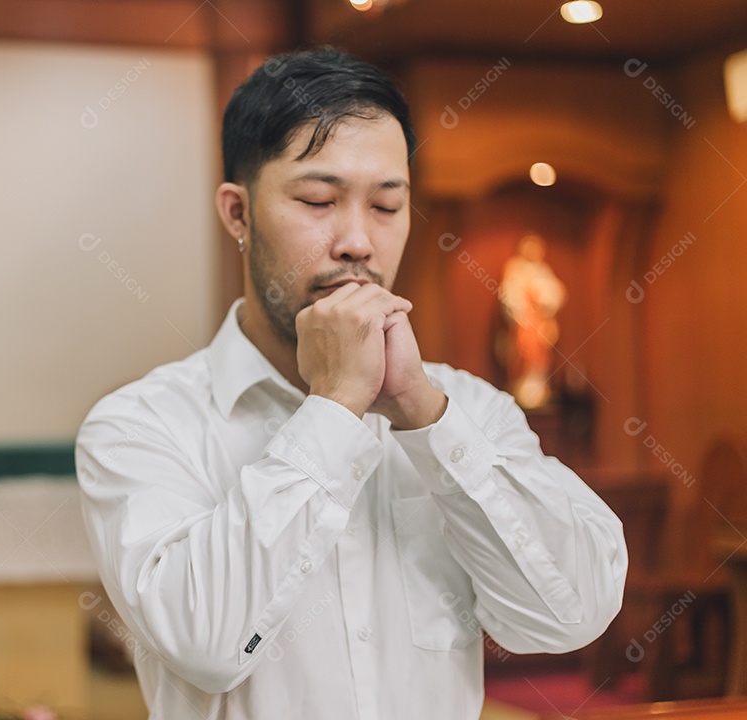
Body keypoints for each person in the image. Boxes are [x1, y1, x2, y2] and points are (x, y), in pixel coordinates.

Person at [75, 48, 626, 719]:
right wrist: (333, 409)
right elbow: (209, 645)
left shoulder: (467, 407)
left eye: (388, 206)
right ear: (238, 215)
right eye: (318, 200)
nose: (358, 242)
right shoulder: (141, 425)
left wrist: (426, 417)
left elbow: (570, 614)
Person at [499, 234, 567, 409]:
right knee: (522, 352)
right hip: (523, 323)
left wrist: (542, 299)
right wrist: (523, 304)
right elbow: (508, 294)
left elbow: (557, 294)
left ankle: (538, 384)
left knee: (539, 356)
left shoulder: (542, 270)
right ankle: (521, 384)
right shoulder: (515, 268)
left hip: (539, 323)